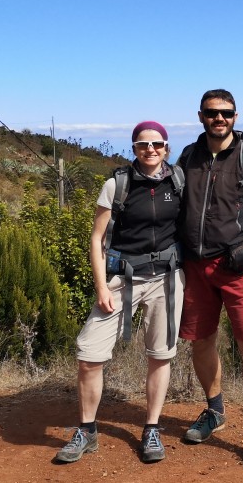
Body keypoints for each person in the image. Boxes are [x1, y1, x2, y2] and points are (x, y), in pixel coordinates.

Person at [54, 121, 184, 464]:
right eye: (143, 144)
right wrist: (101, 286)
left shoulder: (178, 182)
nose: (150, 149)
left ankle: (151, 428)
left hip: (167, 279)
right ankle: (87, 430)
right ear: (134, 148)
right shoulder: (117, 184)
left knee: (160, 355)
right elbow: (97, 238)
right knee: (89, 354)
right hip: (122, 278)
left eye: (157, 144)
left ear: (166, 147)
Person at [177, 89, 243, 469]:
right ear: (201, 116)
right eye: (212, 113)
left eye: (226, 113)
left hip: (240, 269)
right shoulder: (188, 157)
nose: (218, 119)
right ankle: (215, 411)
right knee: (201, 341)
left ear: (235, 116)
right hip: (196, 267)